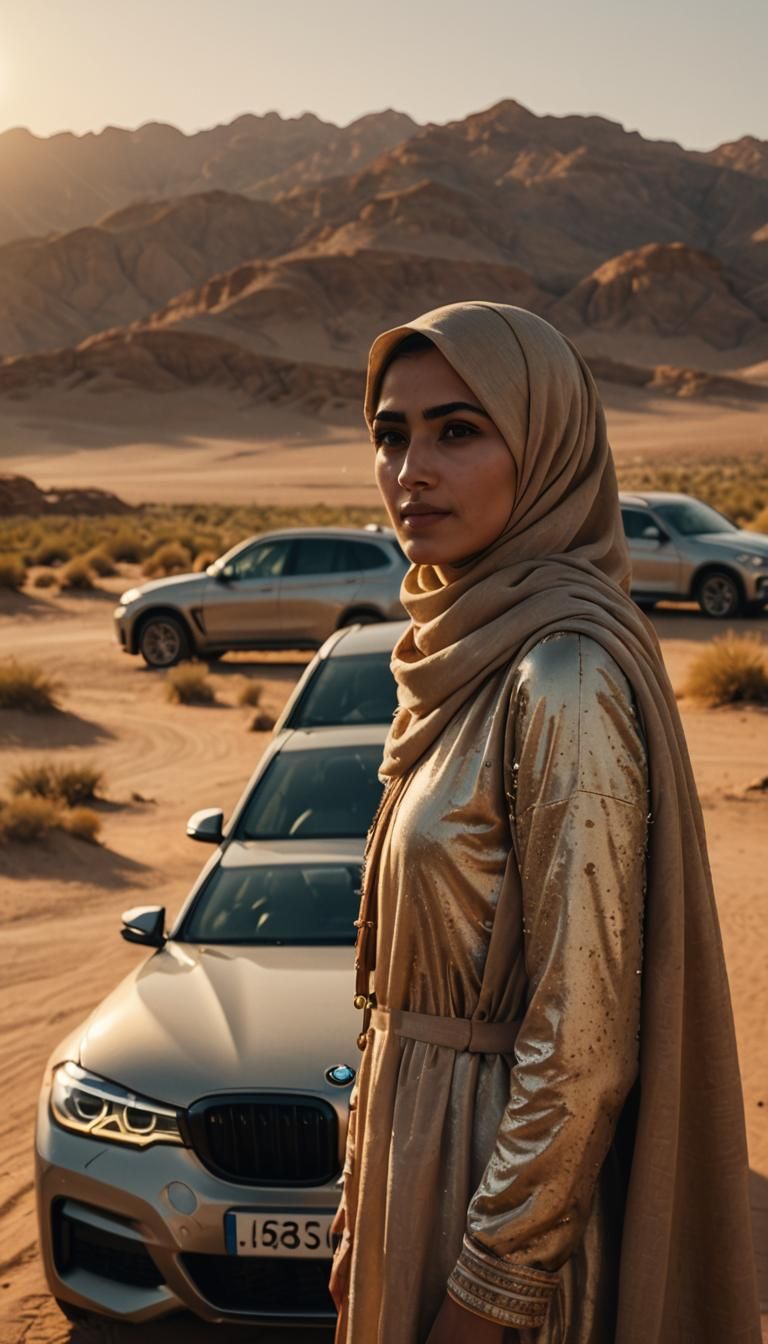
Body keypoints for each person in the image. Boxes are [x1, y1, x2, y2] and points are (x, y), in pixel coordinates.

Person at [329, 302, 760, 1344]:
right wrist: (358, 1205)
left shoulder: (560, 674)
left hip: (489, 1197)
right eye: (392, 434)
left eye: (458, 431)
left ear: (549, 446)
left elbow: (584, 1045)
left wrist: (489, 1293)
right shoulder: (461, 652)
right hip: (409, 1172)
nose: (411, 471)